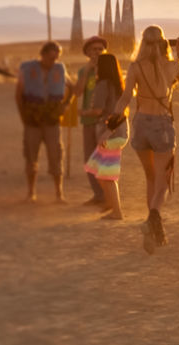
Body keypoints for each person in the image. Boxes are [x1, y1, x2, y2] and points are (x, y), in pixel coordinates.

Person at [111, 25, 179, 254]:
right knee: (163, 180)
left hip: (141, 124)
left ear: (142, 43)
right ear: (164, 43)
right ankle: (152, 219)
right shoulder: (171, 65)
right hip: (161, 125)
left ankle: (153, 230)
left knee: (150, 177)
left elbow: (125, 98)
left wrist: (112, 123)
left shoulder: (135, 67)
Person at [16, 41, 73, 203]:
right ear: (43, 54)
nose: (53, 61)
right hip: (32, 121)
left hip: (52, 121)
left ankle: (59, 194)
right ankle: (31, 193)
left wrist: (65, 105)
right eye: (50, 57)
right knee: (31, 157)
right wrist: (24, 117)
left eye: (56, 58)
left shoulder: (60, 69)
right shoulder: (28, 69)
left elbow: (71, 87)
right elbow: (19, 94)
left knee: (56, 157)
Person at [83, 53, 130, 220]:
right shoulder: (119, 84)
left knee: (106, 175)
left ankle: (117, 212)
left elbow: (98, 110)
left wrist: (82, 112)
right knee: (97, 169)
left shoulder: (103, 84)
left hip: (109, 134)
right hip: (120, 132)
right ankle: (111, 204)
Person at [74, 36, 109, 207]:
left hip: (104, 122)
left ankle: (108, 195)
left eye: (101, 49)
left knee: (105, 160)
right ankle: (98, 194)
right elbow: (78, 92)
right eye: (94, 49)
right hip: (88, 120)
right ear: (87, 53)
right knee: (90, 160)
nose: (97, 52)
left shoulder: (108, 70)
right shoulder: (83, 71)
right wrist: (87, 71)